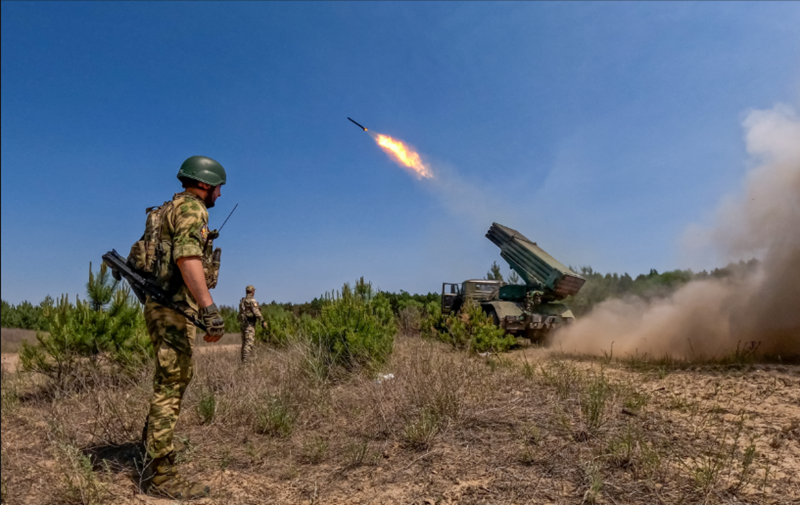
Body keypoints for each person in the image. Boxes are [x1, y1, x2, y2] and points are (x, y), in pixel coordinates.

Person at [140, 155, 227, 499]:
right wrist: (209, 308)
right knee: (171, 384)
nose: (219, 196)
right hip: (174, 307)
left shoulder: (165, 210)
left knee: (169, 381)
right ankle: (160, 474)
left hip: (161, 306)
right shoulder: (193, 210)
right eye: (218, 188)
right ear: (204, 184)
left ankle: (152, 452)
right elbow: (186, 257)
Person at [238, 285, 267, 363]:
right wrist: (262, 321)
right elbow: (256, 312)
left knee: (244, 344)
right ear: (252, 292)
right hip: (249, 325)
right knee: (248, 344)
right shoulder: (252, 301)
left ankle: (243, 361)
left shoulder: (242, 301)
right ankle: (245, 363)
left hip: (243, 325)